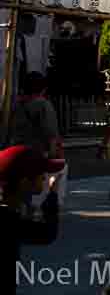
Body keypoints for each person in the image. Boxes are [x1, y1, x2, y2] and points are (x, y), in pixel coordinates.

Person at [0, 145, 62, 293]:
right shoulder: (9, 221)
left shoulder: (9, 211)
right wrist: (52, 196)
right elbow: (47, 233)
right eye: (41, 175)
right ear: (24, 183)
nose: (45, 178)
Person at [11, 72, 61, 159]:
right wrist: (53, 155)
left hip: (17, 155)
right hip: (37, 156)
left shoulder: (17, 105)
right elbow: (51, 133)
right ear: (43, 89)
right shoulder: (43, 105)